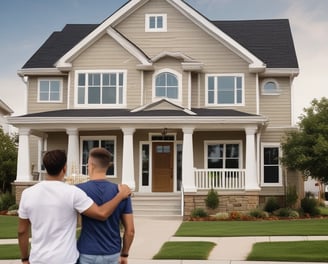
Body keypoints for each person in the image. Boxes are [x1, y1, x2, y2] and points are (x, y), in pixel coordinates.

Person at [18, 149, 131, 264]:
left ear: (45, 168)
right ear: (64, 168)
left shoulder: (27, 194)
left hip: (38, 259)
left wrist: (25, 258)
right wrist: (120, 195)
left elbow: (22, 231)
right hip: (66, 259)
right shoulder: (73, 193)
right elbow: (102, 214)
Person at [77, 148, 135, 264]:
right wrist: (124, 254)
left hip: (87, 252)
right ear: (108, 166)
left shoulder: (79, 190)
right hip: (112, 253)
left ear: (91, 165)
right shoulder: (122, 192)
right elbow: (130, 231)